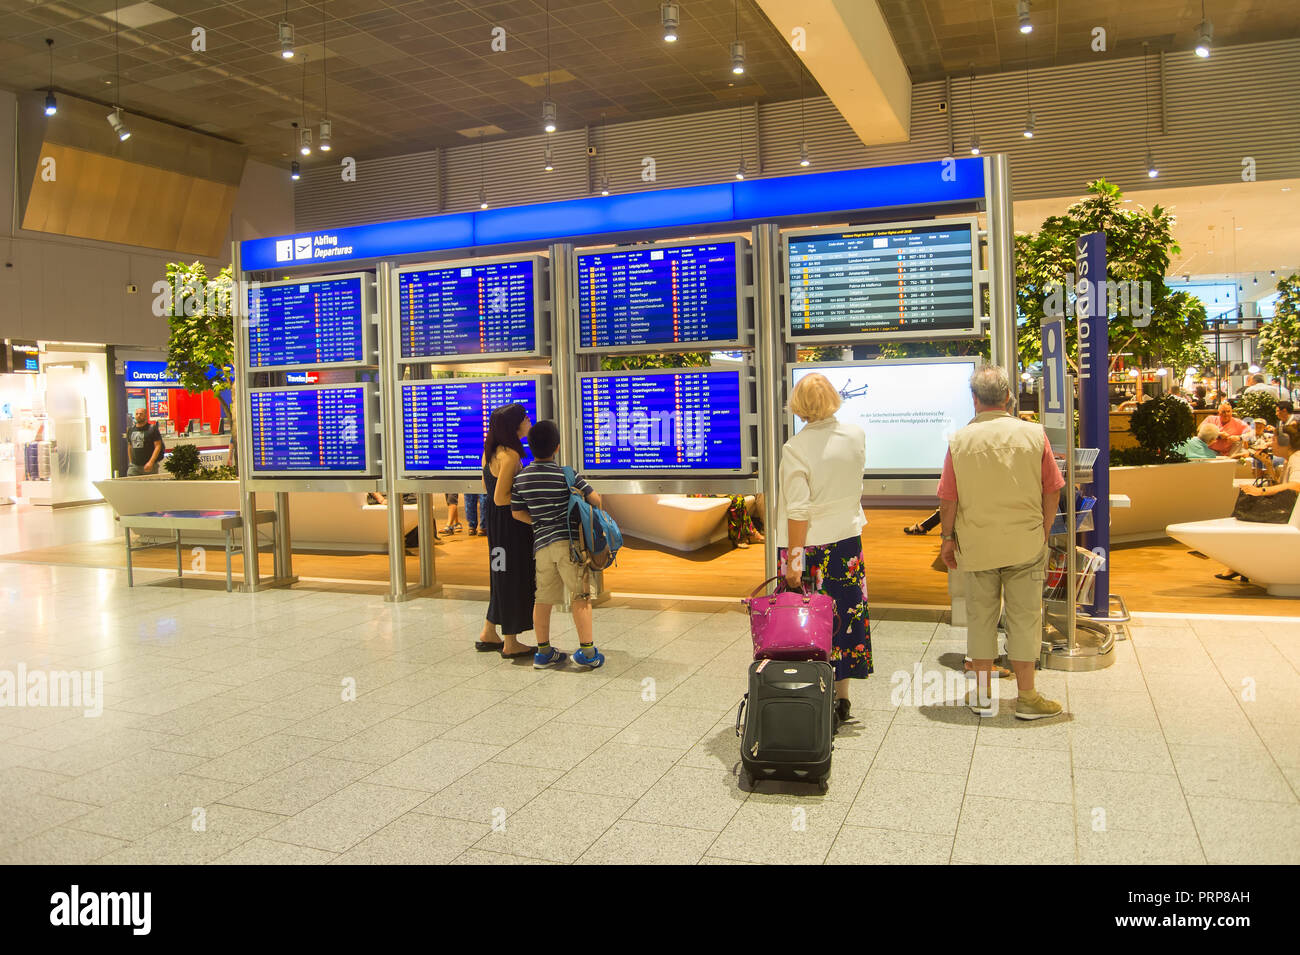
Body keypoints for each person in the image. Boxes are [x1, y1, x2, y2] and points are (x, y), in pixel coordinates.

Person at [938, 365, 1064, 721]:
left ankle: (982, 696)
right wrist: (1044, 527)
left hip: (976, 544)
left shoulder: (959, 440)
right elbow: (1053, 487)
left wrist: (947, 539)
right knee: (1025, 618)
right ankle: (1027, 697)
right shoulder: (1034, 435)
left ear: (974, 400)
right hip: (1025, 542)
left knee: (981, 618)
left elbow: (948, 497)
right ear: (1009, 397)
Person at [777, 372, 872, 728]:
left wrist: (794, 563)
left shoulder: (796, 448)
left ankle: (815, 696)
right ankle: (842, 700)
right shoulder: (856, 436)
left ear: (798, 407)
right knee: (846, 620)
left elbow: (798, 511)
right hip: (848, 544)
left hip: (812, 549)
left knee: (811, 625)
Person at [511, 419, 604, 670]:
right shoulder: (567, 474)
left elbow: (516, 512)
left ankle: (543, 652)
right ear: (557, 447)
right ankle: (587, 652)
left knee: (543, 599)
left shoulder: (522, 477)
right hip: (570, 546)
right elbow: (596, 499)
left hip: (541, 547)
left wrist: (539, 522)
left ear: (529, 446)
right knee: (581, 596)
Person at [476, 404, 536, 659]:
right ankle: (510, 642)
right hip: (509, 524)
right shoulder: (510, 456)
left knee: (499, 574)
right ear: (515, 425)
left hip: (495, 523)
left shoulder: (491, 452)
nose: (529, 421)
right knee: (511, 576)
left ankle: (489, 631)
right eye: (525, 418)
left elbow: (488, 490)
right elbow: (502, 497)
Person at [126, 407, 162, 476]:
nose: (138, 415)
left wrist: (151, 462)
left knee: (150, 486)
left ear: (145, 415)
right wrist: (131, 462)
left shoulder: (152, 428)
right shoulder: (131, 430)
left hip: (149, 466)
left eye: (141, 414)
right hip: (134, 467)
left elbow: (158, 446)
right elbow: (130, 446)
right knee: (131, 485)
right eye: (137, 414)